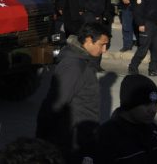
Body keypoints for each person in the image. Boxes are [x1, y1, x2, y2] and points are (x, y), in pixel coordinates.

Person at [36, 22, 111, 163]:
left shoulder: (83, 61)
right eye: (102, 44)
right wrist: (42, 139)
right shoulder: (73, 65)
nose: (104, 50)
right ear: (89, 40)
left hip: (80, 137)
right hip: (70, 142)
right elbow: (55, 104)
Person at [96, 74, 157, 163]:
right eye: (146, 104)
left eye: (156, 104)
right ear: (130, 104)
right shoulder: (107, 135)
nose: (153, 110)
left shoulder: (154, 130)